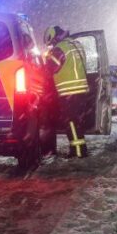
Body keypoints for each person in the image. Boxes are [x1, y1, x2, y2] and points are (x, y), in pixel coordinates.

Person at [44, 26, 90, 157]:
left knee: (71, 122)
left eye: (50, 43)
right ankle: (80, 149)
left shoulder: (60, 48)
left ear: (53, 38)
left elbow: (49, 68)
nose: (51, 45)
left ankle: (78, 152)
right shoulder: (76, 44)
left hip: (69, 91)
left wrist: (46, 59)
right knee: (76, 122)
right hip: (81, 90)